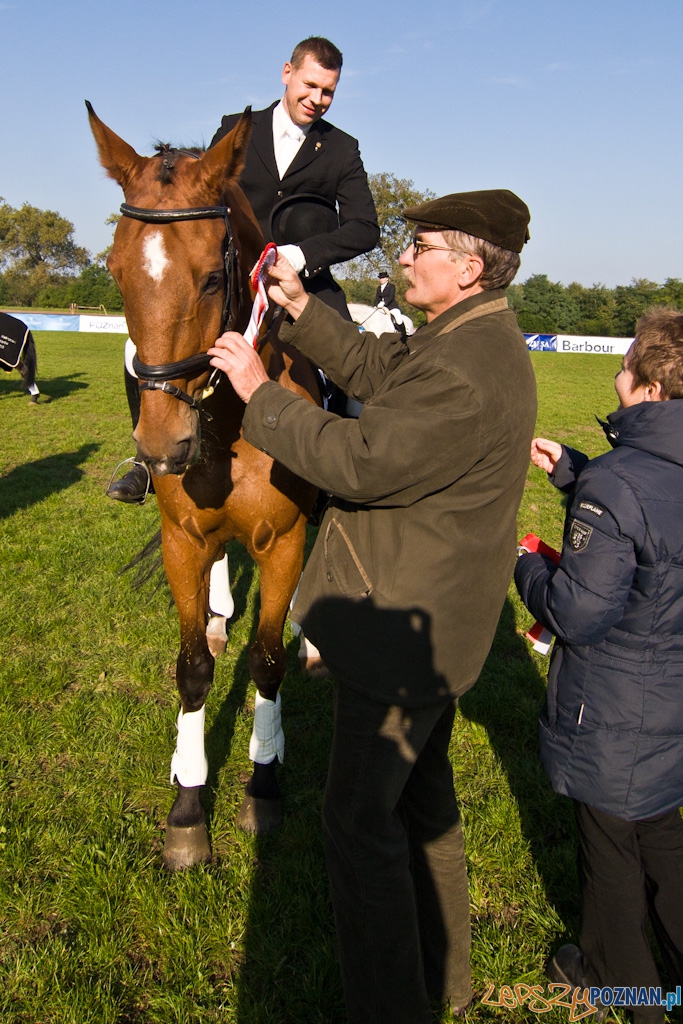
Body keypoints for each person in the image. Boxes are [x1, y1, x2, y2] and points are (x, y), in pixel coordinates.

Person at [207, 189, 536, 1024]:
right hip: (431, 632)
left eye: (420, 244)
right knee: (423, 811)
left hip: (399, 635)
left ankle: (391, 1007)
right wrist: (297, 313)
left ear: (466, 267)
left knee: (357, 826)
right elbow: (386, 375)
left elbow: (357, 461)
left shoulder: (466, 365)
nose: (404, 253)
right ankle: (445, 982)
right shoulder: (470, 339)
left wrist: (261, 392)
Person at [108, 35, 379, 505]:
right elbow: (202, 195)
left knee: (349, 369)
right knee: (139, 347)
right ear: (287, 73)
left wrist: (300, 255)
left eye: (329, 91)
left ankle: (340, 482)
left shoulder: (341, 150)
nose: (317, 99)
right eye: (310, 85)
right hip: (231, 285)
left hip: (305, 287)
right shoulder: (235, 128)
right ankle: (144, 465)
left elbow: (364, 228)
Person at [515, 307, 683, 1024]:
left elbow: (578, 613)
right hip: (670, 699)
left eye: (623, 364)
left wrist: (526, 570)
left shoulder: (619, 483)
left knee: (608, 851)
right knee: (663, 838)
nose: (615, 374)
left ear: (646, 386)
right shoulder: (624, 478)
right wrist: (575, 476)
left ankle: (622, 984)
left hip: (613, 710)